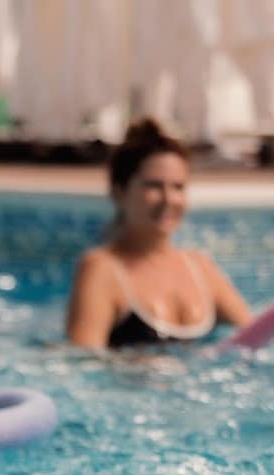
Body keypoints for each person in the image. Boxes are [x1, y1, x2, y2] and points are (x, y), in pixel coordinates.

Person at [66, 118, 252, 349]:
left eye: (178, 187)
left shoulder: (199, 266)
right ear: (119, 192)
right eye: (153, 186)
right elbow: (83, 359)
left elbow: (257, 336)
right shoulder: (101, 269)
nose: (169, 200)